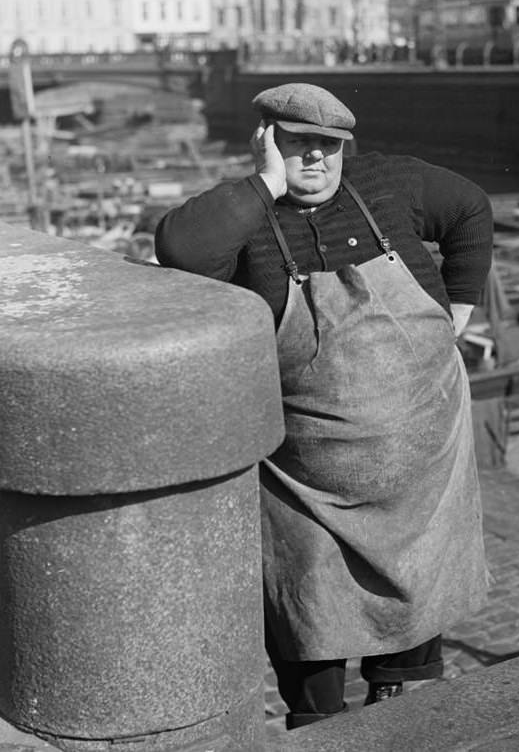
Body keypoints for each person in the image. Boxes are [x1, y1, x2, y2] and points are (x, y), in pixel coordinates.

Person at [155, 83, 493, 729]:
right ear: (266, 143)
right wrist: (264, 183)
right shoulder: (248, 215)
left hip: (422, 462)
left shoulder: (391, 183)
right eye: (296, 145)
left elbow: (470, 209)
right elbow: (182, 250)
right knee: (309, 617)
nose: (314, 160)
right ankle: (319, 729)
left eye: (327, 146)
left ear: (346, 147)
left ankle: (401, 715)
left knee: (414, 613)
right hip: (308, 485)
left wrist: (461, 300)